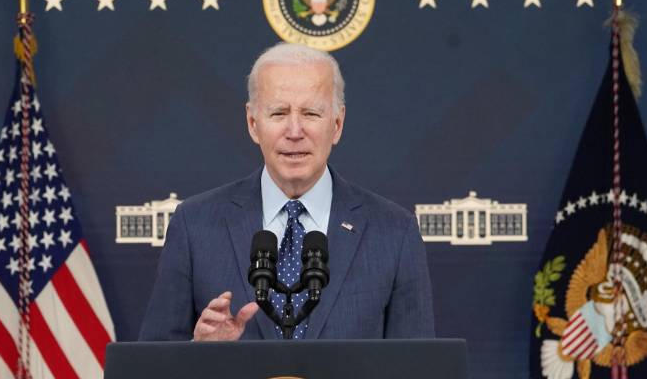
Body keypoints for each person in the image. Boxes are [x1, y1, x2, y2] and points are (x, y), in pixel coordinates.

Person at [139, 43, 434, 341]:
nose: (294, 131)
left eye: (311, 113)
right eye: (279, 113)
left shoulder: (394, 232)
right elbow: (153, 364)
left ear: (337, 124)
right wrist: (198, 352)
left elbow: (417, 365)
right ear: (253, 123)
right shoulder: (194, 225)